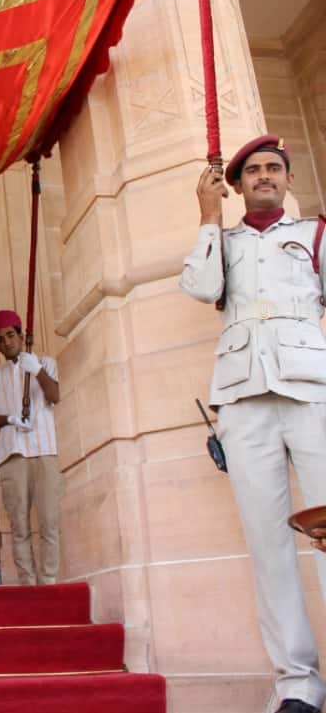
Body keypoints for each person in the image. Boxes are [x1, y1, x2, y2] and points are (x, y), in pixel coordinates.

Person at [181, 135, 326, 713]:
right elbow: (200, 288)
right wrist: (207, 216)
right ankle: (297, 682)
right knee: (269, 544)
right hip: (243, 398)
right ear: (237, 184)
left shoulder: (315, 235)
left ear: (289, 181)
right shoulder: (220, 239)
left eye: (274, 168)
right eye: (254, 170)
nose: (265, 175)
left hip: (311, 389)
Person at [0, 309, 61, 586]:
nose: (7, 342)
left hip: (44, 450)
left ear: (22, 335)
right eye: (0, 340)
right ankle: (28, 583)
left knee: (49, 521)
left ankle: (48, 581)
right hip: (12, 456)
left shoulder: (45, 363)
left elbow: (54, 395)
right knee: (19, 526)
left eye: (11, 335)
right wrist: (10, 419)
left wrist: (35, 370)